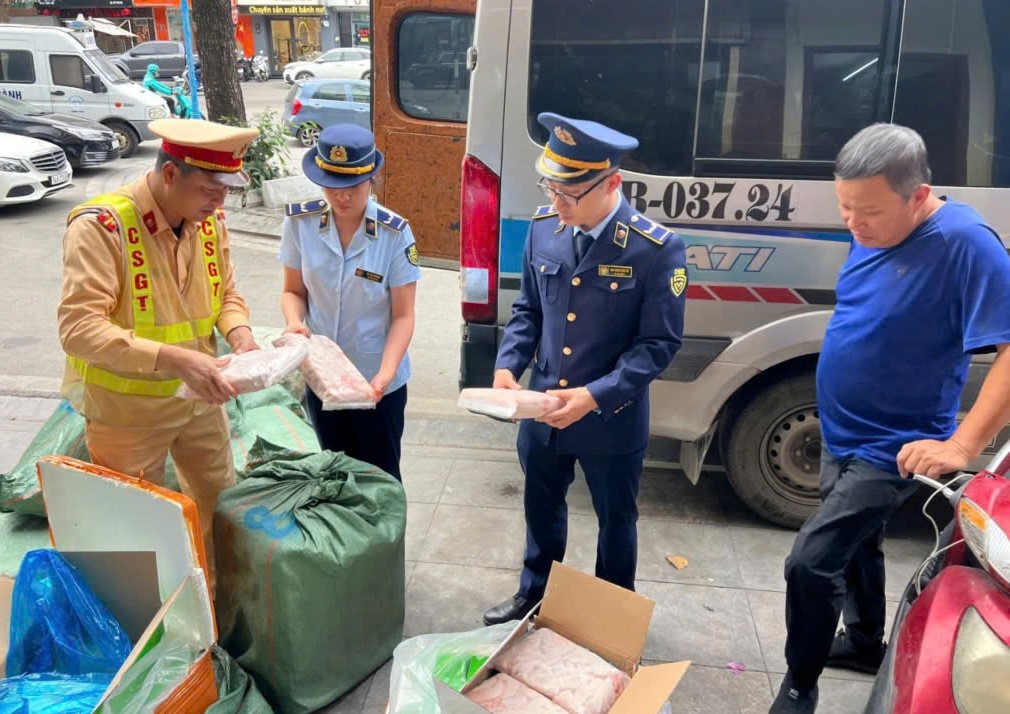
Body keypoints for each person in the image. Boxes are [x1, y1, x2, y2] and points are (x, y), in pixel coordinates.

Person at [772, 123, 1010, 714]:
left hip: (894, 445)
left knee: (811, 561)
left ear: (919, 194)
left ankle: (799, 685)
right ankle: (862, 641)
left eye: (868, 211)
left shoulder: (966, 243)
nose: (853, 224)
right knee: (859, 544)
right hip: (841, 428)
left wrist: (961, 445)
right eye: (845, 208)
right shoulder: (870, 225)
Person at [482, 113, 688, 625]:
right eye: (551, 188)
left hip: (609, 417)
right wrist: (508, 366)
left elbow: (659, 344)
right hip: (542, 407)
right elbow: (529, 311)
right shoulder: (543, 230)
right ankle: (535, 594)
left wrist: (594, 396)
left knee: (616, 519)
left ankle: (610, 614)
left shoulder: (655, 249)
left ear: (611, 182)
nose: (556, 203)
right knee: (541, 508)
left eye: (569, 195)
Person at [58, 118, 260, 576]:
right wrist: (175, 359)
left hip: (200, 403)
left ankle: (210, 611)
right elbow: (78, 328)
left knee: (216, 505)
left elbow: (226, 293)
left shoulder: (208, 221)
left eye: (226, 189)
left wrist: (240, 334)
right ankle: (150, 629)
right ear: (170, 174)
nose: (219, 200)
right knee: (136, 530)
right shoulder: (103, 228)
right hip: (127, 413)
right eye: (211, 187)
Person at [280, 124, 420, 481]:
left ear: (371, 179)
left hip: (377, 380)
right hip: (323, 378)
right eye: (332, 186)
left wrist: (385, 376)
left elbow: (403, 316)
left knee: (380, 479)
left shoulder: (394, 234)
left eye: (352, 187)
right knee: (333, 473)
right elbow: (293, 291)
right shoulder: (300, 223)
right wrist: (295, 322)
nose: (341, 197)